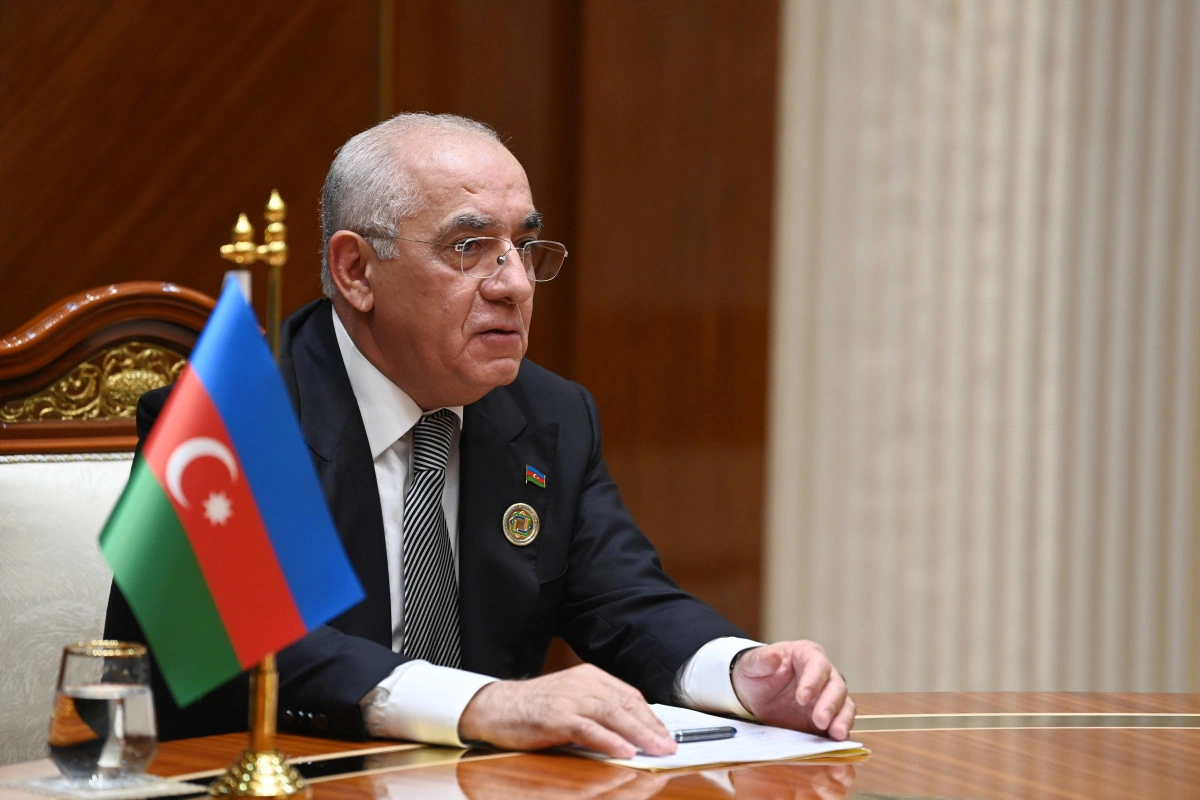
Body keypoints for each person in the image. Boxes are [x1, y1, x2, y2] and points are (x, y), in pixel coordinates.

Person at [105, 113, 854, 758]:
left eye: (523, 247)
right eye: (469, 247)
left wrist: (738, 671)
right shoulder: (228, 420)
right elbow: (258, 648)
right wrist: (480, 703)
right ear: (356, 270)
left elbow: (626, 601)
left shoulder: (550, 415)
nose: (514, 284)